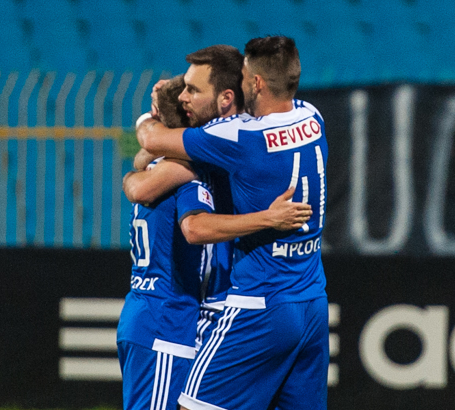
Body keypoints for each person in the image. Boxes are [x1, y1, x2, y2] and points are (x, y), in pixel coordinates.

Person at [136, 36, 330, 410]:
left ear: (256, 83)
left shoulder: (239, 137)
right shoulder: (312, 116)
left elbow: (153, 140)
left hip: (260, 305)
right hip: (312, 303)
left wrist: (152, 113)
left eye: (243, 76)